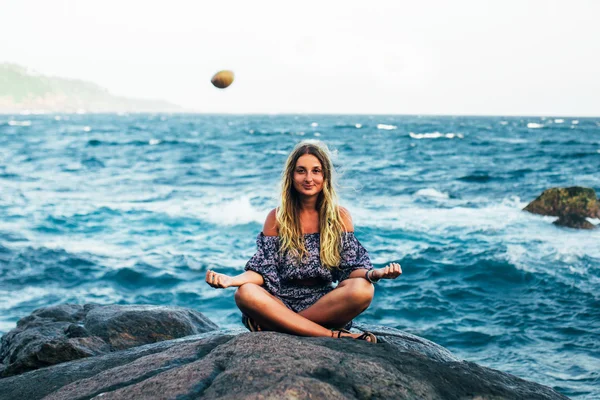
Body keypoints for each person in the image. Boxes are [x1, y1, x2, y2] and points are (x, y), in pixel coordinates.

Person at [205, 140, 402, 342]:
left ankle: (283, 325)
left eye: (316, 171)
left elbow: (350, 269)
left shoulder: (339, 216)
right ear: (291, 175)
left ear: (325, 176)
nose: (309, 178)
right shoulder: (277, 217)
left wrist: (375, 274)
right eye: (301, 171)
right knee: (245, 293)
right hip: (280, 302)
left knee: (363, 289)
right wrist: (231, 281)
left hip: (323, 304)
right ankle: (331, 335)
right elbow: (263, 271)